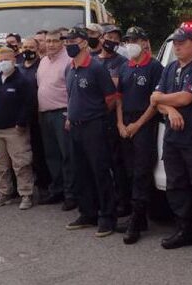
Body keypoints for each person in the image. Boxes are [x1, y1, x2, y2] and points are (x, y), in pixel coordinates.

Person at [151, 27, 192, 257]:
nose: (178, 46)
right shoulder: (169, 68)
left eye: (182, 42)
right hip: (173, 140)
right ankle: (183, 230)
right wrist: (169, 109)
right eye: (175, 43)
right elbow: (155, 100)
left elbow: (186, 97)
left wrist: (162, 99)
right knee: (176, 185)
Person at [62, 26, 120, 238]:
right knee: (81, 172)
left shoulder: (96, 68)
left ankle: (107, 216)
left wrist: (94, 116)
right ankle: (87, 213)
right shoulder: (69, 68)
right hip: (75, 127)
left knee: (100, 171)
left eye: (73, 41)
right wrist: (70, 116)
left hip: (94, 126)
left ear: (85, 42)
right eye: (66, 41)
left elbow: (111, 99)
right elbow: (71, 96)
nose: (68, 44)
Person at [115, 26, 163, 244]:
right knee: (130, 171)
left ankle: (136, 221)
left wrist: (137, 124)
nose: (130, 44)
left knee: (142, 173)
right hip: (125, 124)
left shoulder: (155, 67)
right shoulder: (125, 67)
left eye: (134, 39)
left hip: (144, 124)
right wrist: (120, 123)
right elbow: (119, 98)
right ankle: (139, 217)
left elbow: (155, 102)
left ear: (145, 42)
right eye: (127, 40)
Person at [0, 48, 35, 210]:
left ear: (14, 60)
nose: (3, 63)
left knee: (21, 163)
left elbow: (28, 104)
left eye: (7, 59)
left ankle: (26, 194)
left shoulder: (22, 81)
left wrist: (21, 122)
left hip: (15, 130)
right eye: (1, 60)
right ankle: (3, 192)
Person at [36, 29, 76, 209]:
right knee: (52, 155)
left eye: (54, 41)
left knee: (67, 155)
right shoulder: (43, 61)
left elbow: (72, 91)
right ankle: (57, 190)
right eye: (48, 41)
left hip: (62, 114)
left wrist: (70, 114)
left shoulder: (68, 61)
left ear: (62, 42)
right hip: (45, 114)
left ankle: (71, 194)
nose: (50, 44)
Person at [98, 24, 130, 216]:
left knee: (117, 164)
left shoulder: (122, 62)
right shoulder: (93, 60)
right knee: (100, 163)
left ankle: (122, 203)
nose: (112, 41)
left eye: (116, 38)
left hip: (113, 118)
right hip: (95, 119)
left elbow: (117, 92)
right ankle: (104, 202)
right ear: (101, 38)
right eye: (108, 36)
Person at [18, 37, 51, 197]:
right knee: (22, 154)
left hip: (38, 115)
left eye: (31, 47)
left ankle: (44, 185)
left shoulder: (42, 65)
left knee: (39, 153)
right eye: (25, 47)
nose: (28, 50)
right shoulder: (18, 67)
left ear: (37, 49)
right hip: (21, 116)